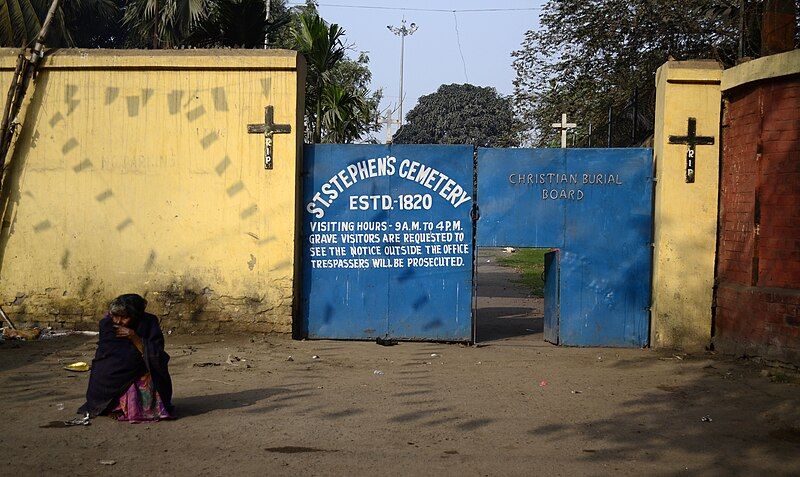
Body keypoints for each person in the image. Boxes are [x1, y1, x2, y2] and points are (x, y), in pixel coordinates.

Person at [77, 294, 174, 422]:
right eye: (115, 316)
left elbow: (157, 353)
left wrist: (134, 337)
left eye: (124, 317)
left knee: (150, 372)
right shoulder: (107, 324)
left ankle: (139, 408)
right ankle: (114, 407)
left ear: (136, 316)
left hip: (140, 365)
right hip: (113, 370)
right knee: (106, 370)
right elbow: (109, 355)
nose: (118, 321)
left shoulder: (149, 322)